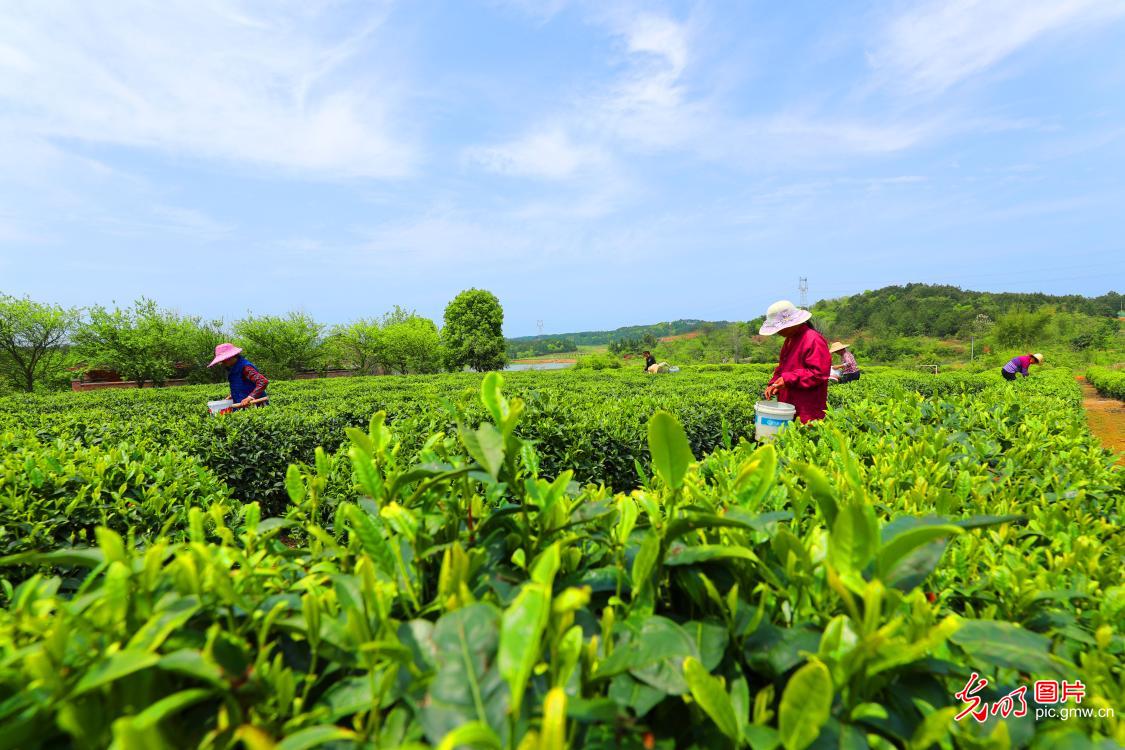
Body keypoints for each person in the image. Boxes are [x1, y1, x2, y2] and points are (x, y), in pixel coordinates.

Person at [760, 300, 831, 422]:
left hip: (807, 410)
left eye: (780, 328)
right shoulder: (789, 340)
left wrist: (788, 379)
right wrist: (774, 384)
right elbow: (782, 368)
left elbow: (819, 373)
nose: (778, 332)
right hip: (789, 406)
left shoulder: (813, 339)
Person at [208, 343, 269, 407]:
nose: (222, 363)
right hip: (242, 405)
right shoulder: (233, 368)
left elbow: (262, 381)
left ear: (230, 357)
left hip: (256, 406)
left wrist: (250, 397)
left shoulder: (246, 367)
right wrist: (232, 395)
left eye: (223, 360)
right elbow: (243, 385)